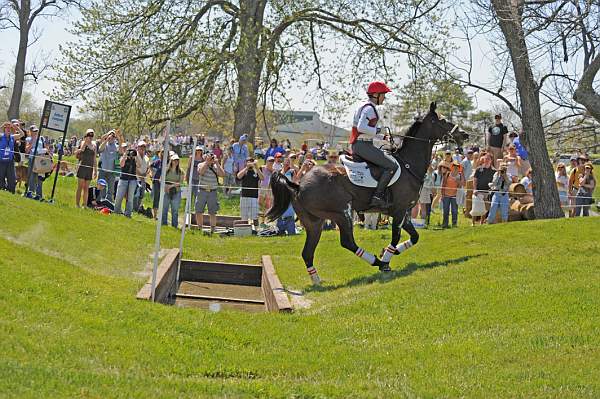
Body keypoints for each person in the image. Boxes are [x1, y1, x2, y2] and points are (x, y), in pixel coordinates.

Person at [349, 81, 397, 208]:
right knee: (392, 166)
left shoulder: (364, 106)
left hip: (362, 144)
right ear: (376, 94)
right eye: (383, 94)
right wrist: (379, 131)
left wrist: (382, 137)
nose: (384, 97)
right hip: (362, 146)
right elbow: (361, 127)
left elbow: (365, 131)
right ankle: (377, 196)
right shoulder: (370, 108)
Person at [196, 152, 225, 234]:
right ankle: (199, 228)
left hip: (212, 192)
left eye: (212, 158)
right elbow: (201, 172)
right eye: (209, 157)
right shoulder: (201, 164)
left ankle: (212, 229)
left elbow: (222, 174)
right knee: (199, 210)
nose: (211, 159)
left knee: (212, 212)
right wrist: (207, 162)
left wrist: (217, 163)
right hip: (202, 190)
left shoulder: (216, 166)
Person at [237, 157, 263, 227]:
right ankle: (244, 229)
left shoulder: (256, 171)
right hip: (244, 196)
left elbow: (262, 178)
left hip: (254, 197)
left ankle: (256, 230)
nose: (250, 163)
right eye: (248, 161)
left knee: (255, 216)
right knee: (244, 216)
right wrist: (246, 168)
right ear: (246, 163)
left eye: (251, 161)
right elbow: (238, 176)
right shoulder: (244, 171)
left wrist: (256, 167)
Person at [75, 129, 97, 208]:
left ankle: (84, 204)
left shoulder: (94, 145)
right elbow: (82, 150)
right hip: (82, 166)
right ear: (86, 135)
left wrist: (96, 170)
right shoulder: (83, 143)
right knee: (80, 187)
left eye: (92, 135)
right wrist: (85, 142)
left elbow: (94, 159)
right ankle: (77, 204)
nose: (90, 137)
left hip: (90, 168)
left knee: (86, 188)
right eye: (89, 135)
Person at [114, 146, 138, 217]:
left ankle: (128, 213)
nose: (131, 155)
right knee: (119, 196)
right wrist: (125, 154)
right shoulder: (124, 157)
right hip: (123, 179)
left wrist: (136, 156)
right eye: (130, 153)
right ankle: (117, 211)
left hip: (133, 180)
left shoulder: (135, 159)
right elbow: (121, 164)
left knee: (130, 197)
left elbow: (139, 165)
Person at [25, 125, 48, 200]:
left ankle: (39, 195)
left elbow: (45, 148)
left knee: (40, 178)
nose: (35, 132)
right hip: (32, 159)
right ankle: (30, 193)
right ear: (30, 131)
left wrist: (44, 151)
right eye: (34, 131)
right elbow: (27, 150)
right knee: (32, 177)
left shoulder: (41, 138)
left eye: (36, 131)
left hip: (40, 159)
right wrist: (32, 141)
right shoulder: (28, 139)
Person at [161, 154, 184, 228]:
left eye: (177, 160)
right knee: (164, 209)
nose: (176, 162)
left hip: (176, 192)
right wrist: (165, 186)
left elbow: (180, 182)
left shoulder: (181, 171)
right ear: (171, 161)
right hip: (166, 191)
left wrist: (170, 186)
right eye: (174, 160)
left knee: (175, 210)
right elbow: (161, 179)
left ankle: (174, 225)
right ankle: (164, 224)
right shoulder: (166, 170)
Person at [440, 160, 465, 228]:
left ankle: (454, 224)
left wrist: (461, 174)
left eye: (457, 167)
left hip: (454, 196)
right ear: (452, 167)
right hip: (446, 196)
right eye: (454, 167)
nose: (456, 168)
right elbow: (443, 185)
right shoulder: (447, 174)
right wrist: (442, 195)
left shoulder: (459, 176)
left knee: (454, 211)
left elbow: (463, 184)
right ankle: (445, 224)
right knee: (446, 211)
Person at [472, 154, 495, 225]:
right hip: (478, 192)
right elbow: (475, 180)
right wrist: (474, 189)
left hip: (488, 192)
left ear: (491, 160)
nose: (487, 160)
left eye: (488, 159)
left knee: (485, 209)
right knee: (475, 208)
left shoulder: (494, 171)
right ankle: (473, 223)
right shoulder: (478, 169)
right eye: (485, 158)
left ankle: (481, 223)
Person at [97, 129, 119, 201]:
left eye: (113, 136)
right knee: (101, 188)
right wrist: (106, 139)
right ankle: (101, 201)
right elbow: (100, 149)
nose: (111, 138)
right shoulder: (104, 144)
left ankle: (109, 203)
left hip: (112, 171)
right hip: (103, 169)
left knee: (111, 190)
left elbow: (120, 152)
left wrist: (117, 136)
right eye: (110, 136)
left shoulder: (116, 146)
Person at [186, 146, 204, 220]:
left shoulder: (203, 159)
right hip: (191, 178)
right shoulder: (191, 158)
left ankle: (195, 210)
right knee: (190, 194)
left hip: (199, 179)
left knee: (197, 195)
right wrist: (187, 177)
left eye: (200, 150)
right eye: (197, 150)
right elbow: (188, 167)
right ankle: (188, 210)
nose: (199, 151)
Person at [0, 122, 17, 193]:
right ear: (4, 129)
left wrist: (16, 127)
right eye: (7, 128)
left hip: (10, 161)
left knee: (12, 177)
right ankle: (2, 188)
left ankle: (11, 190)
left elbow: (22, 134)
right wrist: (2, 125)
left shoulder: (12, 137)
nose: (8, 129)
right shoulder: (1, 136)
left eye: (10, 128)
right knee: (1, 176)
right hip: (1, 160)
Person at [133, 141, 149, 213]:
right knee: (136, 194)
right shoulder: (135, 156)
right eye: (140, 147)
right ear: (138, 148)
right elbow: (134, 167)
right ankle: (134, 209)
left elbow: (148, 167)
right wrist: (140, 175)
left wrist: (145, 174)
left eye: (144, 147)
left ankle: (138, 208)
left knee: (142, 195)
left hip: (143, 179)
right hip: (136, 179)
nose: (142, 148)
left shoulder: (146, 158)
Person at [259, 156, 275, 223]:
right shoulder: (262, 168)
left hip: (270, 189)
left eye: (272, 161)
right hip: (262, 187)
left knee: (268, 205)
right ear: (266, 161)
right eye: (270, 161)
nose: (271, 162)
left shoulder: (274, 170)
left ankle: (266, 220)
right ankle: (261, 220)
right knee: (260, 204)